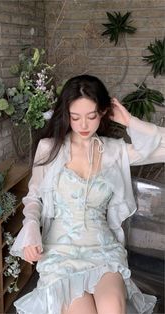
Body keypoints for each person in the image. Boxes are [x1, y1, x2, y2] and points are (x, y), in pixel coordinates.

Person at [10, 74, 165, 314]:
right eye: (75, 117)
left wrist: (130, 121)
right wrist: (30, 226)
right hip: (60, 252)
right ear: (66, 115)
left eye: (91, 116)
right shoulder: (49, 149)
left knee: (113, 309)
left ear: (103, 113)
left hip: (102, 249)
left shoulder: (115, 152)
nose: (83, 125)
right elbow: (33, 197)